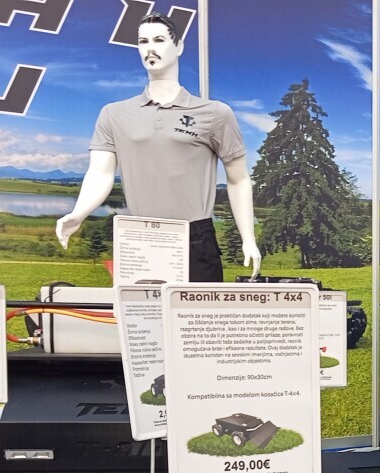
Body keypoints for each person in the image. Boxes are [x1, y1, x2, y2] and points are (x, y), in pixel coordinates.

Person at [56, 13, 260, 281]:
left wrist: (248, 238)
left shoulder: (215, 113)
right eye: (143, 41)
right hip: (140, 239)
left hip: (195, 239)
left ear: (179, 47)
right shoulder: (114, 114)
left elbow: (238, 179)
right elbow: (100, 173)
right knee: (141, 310)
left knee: (198, 310)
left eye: (159, 40)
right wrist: (78, 213)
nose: (150, 48)